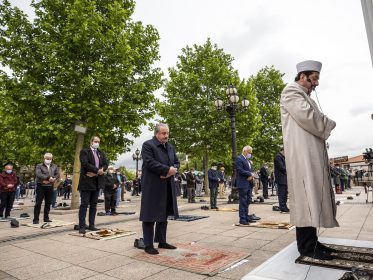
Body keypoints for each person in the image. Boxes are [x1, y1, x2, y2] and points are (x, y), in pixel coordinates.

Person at [280, 60, 338, 260]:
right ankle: (306, 246)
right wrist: (329, 123)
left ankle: (312, 241)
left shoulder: (302, 94)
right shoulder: (291, 92)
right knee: (306, 199)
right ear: (302, 77)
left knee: (312, 197)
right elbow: (308, 117)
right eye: (314, 79)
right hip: (301, 156)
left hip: (309, 154)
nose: (316, 84)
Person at [140, 123, 179, 255]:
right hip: (152, 186)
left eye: (167, 133)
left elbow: (176, 162)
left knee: (163, 214)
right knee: (149, 215)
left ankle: (162, 241)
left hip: (167, 185)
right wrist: (167, 170)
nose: (166, 136)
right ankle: (148, 245)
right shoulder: (148, 145)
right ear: (157, 134)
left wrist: (171, 171)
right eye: (163, 133)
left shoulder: (170, 147)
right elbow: (149, 162)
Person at [78, 136, 108, 234]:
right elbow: (85, 163)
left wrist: (100, 171)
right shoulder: (84, 151)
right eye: (95, 141)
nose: (97, 143)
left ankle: (92, 225)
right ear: (91, 141)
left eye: (98, 142)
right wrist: (97, 170)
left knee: (94, 205)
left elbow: (106, 164)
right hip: (86, 182)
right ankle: (82, 226)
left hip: (97, 182)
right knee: (84, 204)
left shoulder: (101, 153)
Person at [33, 153, 60, 224]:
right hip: (41, 186)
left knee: (48, 203)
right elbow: (38, 174)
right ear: (44, 158)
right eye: (47, 158)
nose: (48, 160)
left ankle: (46, 218)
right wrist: (48, 178)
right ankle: (36, 219)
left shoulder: (54, 166)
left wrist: (53, 178)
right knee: (38, 203)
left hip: (50, 186)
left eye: (50, 158)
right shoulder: (39, 165)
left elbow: (57, 174)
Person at [235, 146, 254, 225]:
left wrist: (251, 175)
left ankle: (246, 216)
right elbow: (240, 170)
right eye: (249, 152)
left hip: (249, 183)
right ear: (245, 151)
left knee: (248, 200)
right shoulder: (239, 159)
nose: (250, 154)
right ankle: (242, 219)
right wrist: (249, 174)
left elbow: (249, 170)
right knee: (243, 201)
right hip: (243, 183)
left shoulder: (247, 160)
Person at [274, 147, 289, 212]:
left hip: (284, 178)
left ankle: (284, 206)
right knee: (282, 194)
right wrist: (289, 170)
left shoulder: (282, 157)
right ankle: (282, 207)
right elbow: (281, 167)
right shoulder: (278, 156)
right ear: (282, 150)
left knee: (285, 193)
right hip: (281, 178)